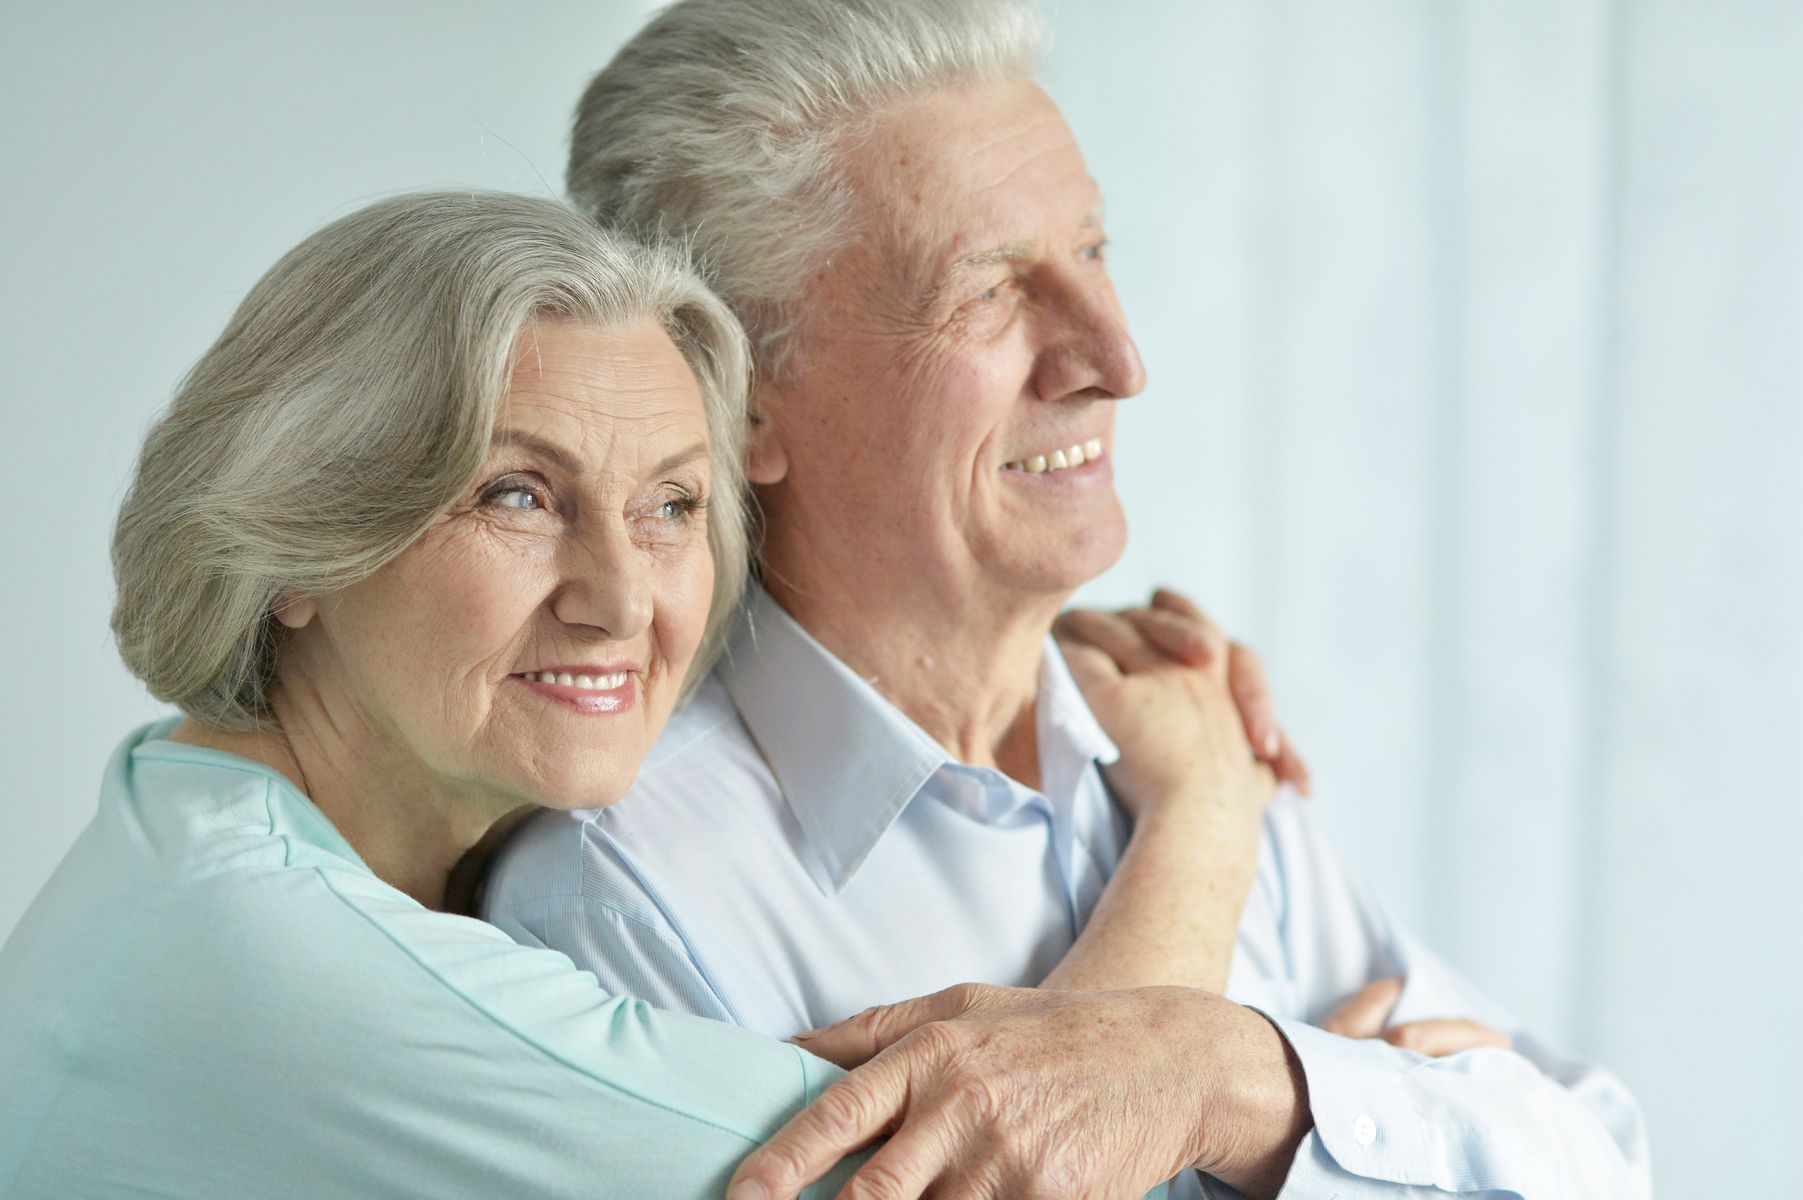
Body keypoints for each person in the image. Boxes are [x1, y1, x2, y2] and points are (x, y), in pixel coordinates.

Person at [480, 2, 1655, 1197]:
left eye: (1092, 251)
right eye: (989, 292)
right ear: (738, 402)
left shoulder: (1187, 732)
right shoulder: (619, 906)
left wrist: (1266, 1085)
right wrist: (1316, 1097)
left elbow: (1606, 1160)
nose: (1116, 360)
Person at [0, 189, 1327, 1200]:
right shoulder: (283, 957)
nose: (622, 598)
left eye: (672, 505)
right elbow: (1030, 1158)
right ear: (297, 545)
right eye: (517, 494)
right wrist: (1207, 814)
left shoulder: (198, 819)